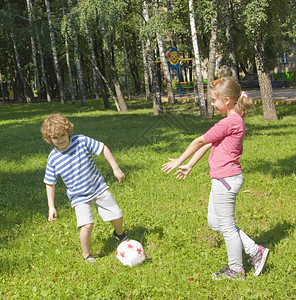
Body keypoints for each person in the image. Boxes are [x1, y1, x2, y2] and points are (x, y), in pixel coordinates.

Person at [161, 77, 269, 280]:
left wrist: (178, 160)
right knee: (214, 222)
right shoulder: (231, 121)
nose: (212, 104)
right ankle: (255, 250)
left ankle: (236, 270)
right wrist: (190, 165)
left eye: (214, 100)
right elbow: (207, 144)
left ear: (227, 100)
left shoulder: (231, 121)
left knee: (227, 226)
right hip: (223, 179)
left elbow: (199, 140)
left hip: (226, 179)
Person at [41, 113, 127, 264]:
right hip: (78, 196)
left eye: (63, 135)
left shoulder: (81, 140)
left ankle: (119, 234)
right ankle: (87, 255)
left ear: (68, 131)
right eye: (55, 137)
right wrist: (51, 206)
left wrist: (116, 168)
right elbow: (50, 183)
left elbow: (103, 148)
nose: (60, 140)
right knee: (87, 225)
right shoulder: (53, 158)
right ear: (49, 139)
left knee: (117, 216)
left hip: (98, 186)